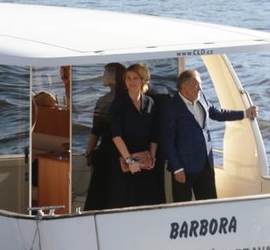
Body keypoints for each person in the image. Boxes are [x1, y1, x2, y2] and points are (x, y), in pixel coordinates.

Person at [162, 68, 257, 203]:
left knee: (210, 204)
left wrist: (244, 114)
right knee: (182, 208)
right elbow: (168, 141)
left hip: (205, 163)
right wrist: (177, 168)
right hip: (184, 167)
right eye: (197, 85)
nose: (200, 88)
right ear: (184, 86)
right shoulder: (171, 107)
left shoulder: (201, 97)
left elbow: (217, 113)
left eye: (200, 84)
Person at [108, 63, 162, 208]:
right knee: (126, 201)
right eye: (128, 78)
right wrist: (130, 161)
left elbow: (154, 133)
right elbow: (116, 136)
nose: (131, 82)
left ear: (143, 80)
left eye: (135, 78)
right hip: (124, 158)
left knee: (147, 201)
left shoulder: (150, 102)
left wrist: (152, 157)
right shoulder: (118, 104)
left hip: (145, 159)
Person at [82, 63, 123, 212]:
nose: (102, 76)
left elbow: (96, 131)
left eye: (105, 73)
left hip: (107, 153)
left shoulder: (104, 101)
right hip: (124, 154)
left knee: (98, 199)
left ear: (113, 77)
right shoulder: (128, 98)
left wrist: (88, 153)